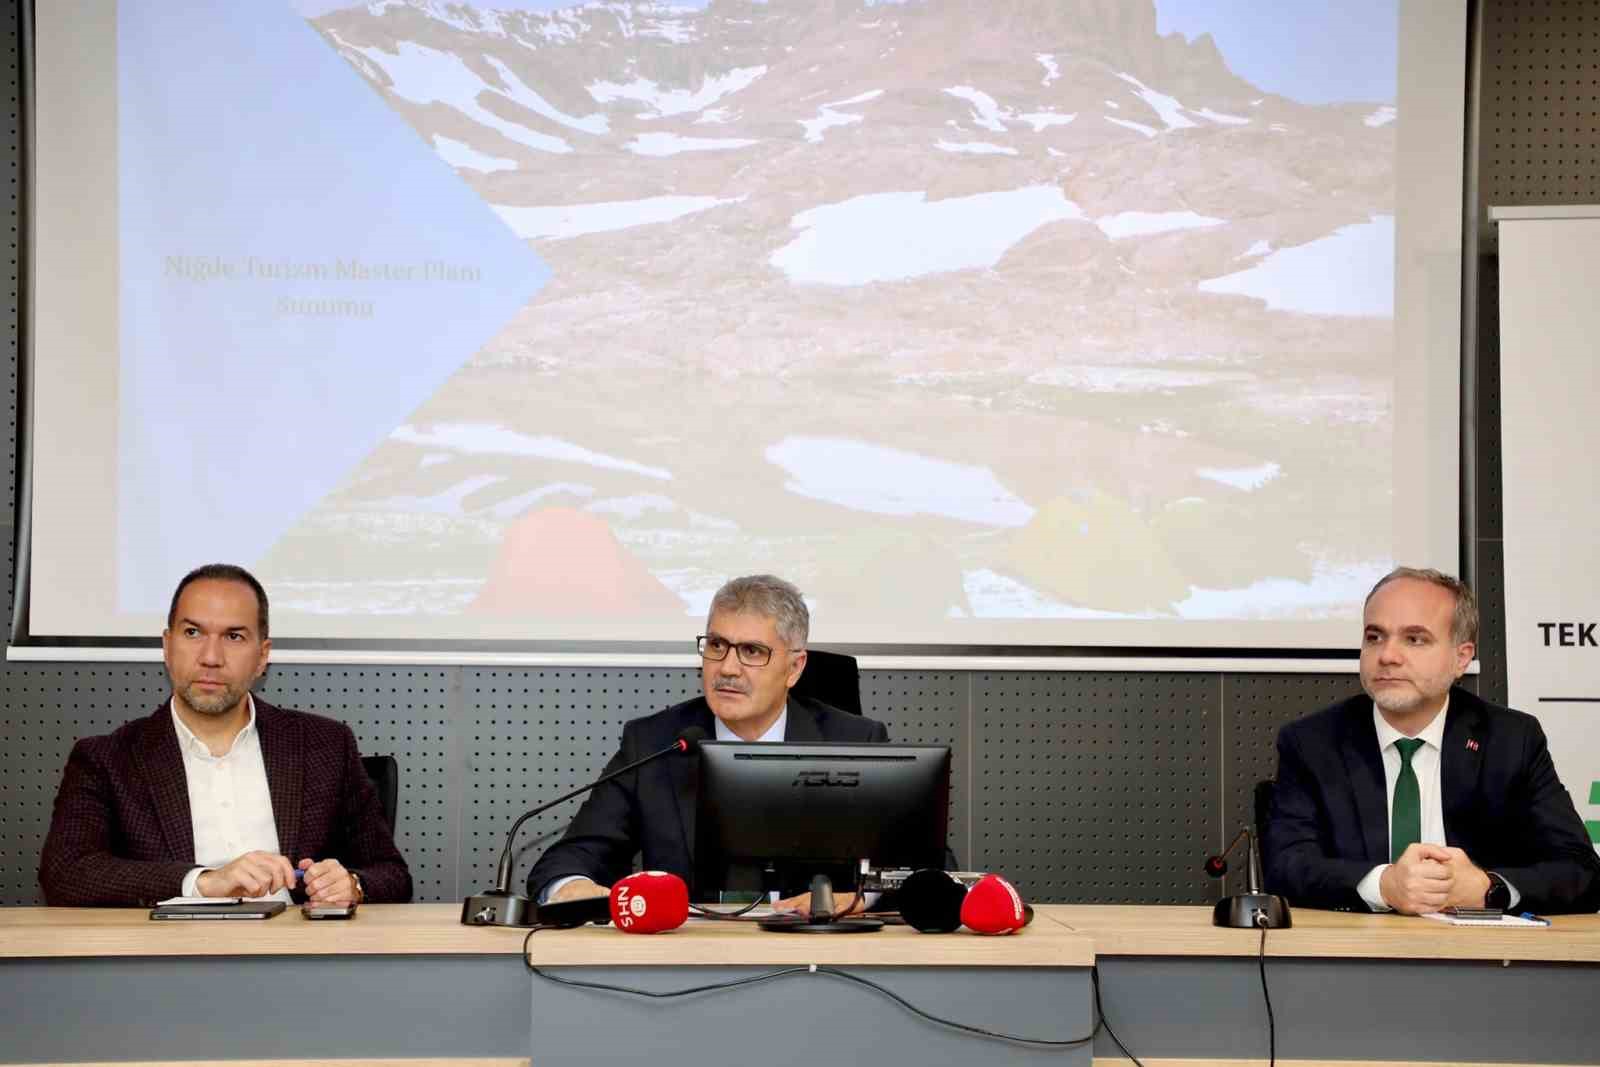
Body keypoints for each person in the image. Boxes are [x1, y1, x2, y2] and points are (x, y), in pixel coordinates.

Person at [38, 564, 412, 906]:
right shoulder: (106, 759)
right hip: (163, 964)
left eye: (233, 636)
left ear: (263, 655)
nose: (211, 657)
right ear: (167, 647)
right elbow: (66, 874)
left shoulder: (325, 746)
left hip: (298, 961)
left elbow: (391, 875)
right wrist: (202, 882)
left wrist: (352, 884)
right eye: (192, 632)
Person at [526, 574, 889, 905]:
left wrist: (858, 899)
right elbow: (567, 861)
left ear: (794, 668)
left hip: (817, 956)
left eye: (752, 651)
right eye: (717, 645)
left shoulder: (855, 743)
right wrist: (572, 888)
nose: (727, 668)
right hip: (686, 959)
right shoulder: (654, 744)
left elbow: (926, 870)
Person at [1263, 567, 1600, 914]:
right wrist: (1383, 885)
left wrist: (1487, 887)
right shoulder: (1312, 743)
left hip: (1485, 959)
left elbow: (1581, 872)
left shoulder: (1511, 741)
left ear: (1461, 658)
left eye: (1415, 639)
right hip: (1354, 955)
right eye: (1375, 636)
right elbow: (1285, 867)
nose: (1387, 655)